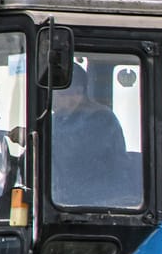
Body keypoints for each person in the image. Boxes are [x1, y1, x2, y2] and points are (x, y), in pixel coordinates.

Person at [50, 73, 132, 208]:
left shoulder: (100, 118)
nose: (52, 101)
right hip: (62, 200)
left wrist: (39, 139)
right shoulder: (59, 119)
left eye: (56, 95)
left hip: (98, 202)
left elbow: (75, 152)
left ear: (77, 93)